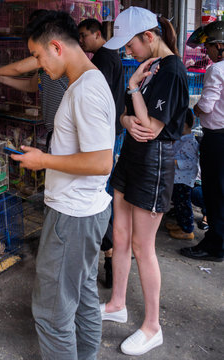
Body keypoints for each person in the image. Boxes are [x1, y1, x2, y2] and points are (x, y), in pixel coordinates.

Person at [11, 10, 115, 359]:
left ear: (56, 46)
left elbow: (102, 162)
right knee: (82, 294)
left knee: (52, 314)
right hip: (84, 213)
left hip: (74, 217)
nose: (39, 65)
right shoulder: (85, 82)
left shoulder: (86, 90)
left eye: (39, 56)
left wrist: (43, 161)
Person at [99, 7, 189, 356]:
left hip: (154, 164)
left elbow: (151, 128)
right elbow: (128, 115)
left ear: (149, 37)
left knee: (142, 247)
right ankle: (117, 303)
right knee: (119, 236)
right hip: (130, 160)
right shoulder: (150, 66)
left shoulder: (172, 71)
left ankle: (153, 326)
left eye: (131, 44)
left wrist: (134, 88)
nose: (127, 51)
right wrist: (124, 118)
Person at [78, 18, 126, 288]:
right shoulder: (108, 57)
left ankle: (109, 255)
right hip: (110, 134)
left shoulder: (105, 60)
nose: (82, 40)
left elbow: (96, 100)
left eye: (85, 35)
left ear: (98, 34)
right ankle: (109, 255)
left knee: (101, 195)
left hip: (105, 136)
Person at [180, 21, 224, 262]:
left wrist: (193, 111)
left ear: (219, 46)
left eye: (208, 48)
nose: (206, 52)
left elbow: (206, 106)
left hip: (217, 140)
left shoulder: (217, 70)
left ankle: (215, 246)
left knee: (214, 193)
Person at [165, 109, 199, 240]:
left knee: (183, 205)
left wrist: (175, 162)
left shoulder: (190, 142)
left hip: (183, 180)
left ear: (183, 125)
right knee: (178, 205)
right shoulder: (181, 139)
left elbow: (192, 163)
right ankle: (181, 225)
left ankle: (187, 230)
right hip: (177, 178)